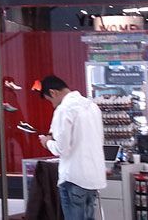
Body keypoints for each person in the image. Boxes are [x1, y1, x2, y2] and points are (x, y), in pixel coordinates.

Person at [35, 75, 107, 220]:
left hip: (74, 178)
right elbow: (99, 139)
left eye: (50, 101)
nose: (53, 105)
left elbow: (61, 148)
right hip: (94, 178)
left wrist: (46, 142)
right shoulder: (92, 106)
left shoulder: (64, 109)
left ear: (53, 92)